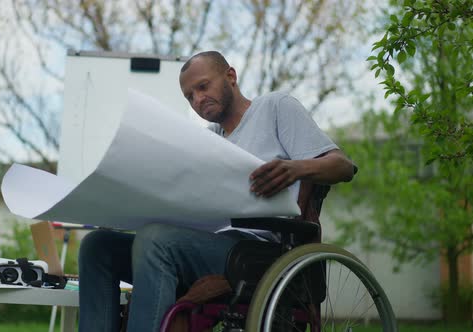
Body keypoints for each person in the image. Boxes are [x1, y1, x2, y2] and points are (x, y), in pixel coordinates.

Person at [78, 51, 355, 332]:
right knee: (98, 246)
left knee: (156, 240)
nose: (198, 99)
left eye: (203, 86)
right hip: (208, 242)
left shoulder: (275, 107)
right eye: (189, 96)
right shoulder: (208, 140)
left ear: (230, 76)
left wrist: (296, 168)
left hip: (263, 251)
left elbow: (343, 166)